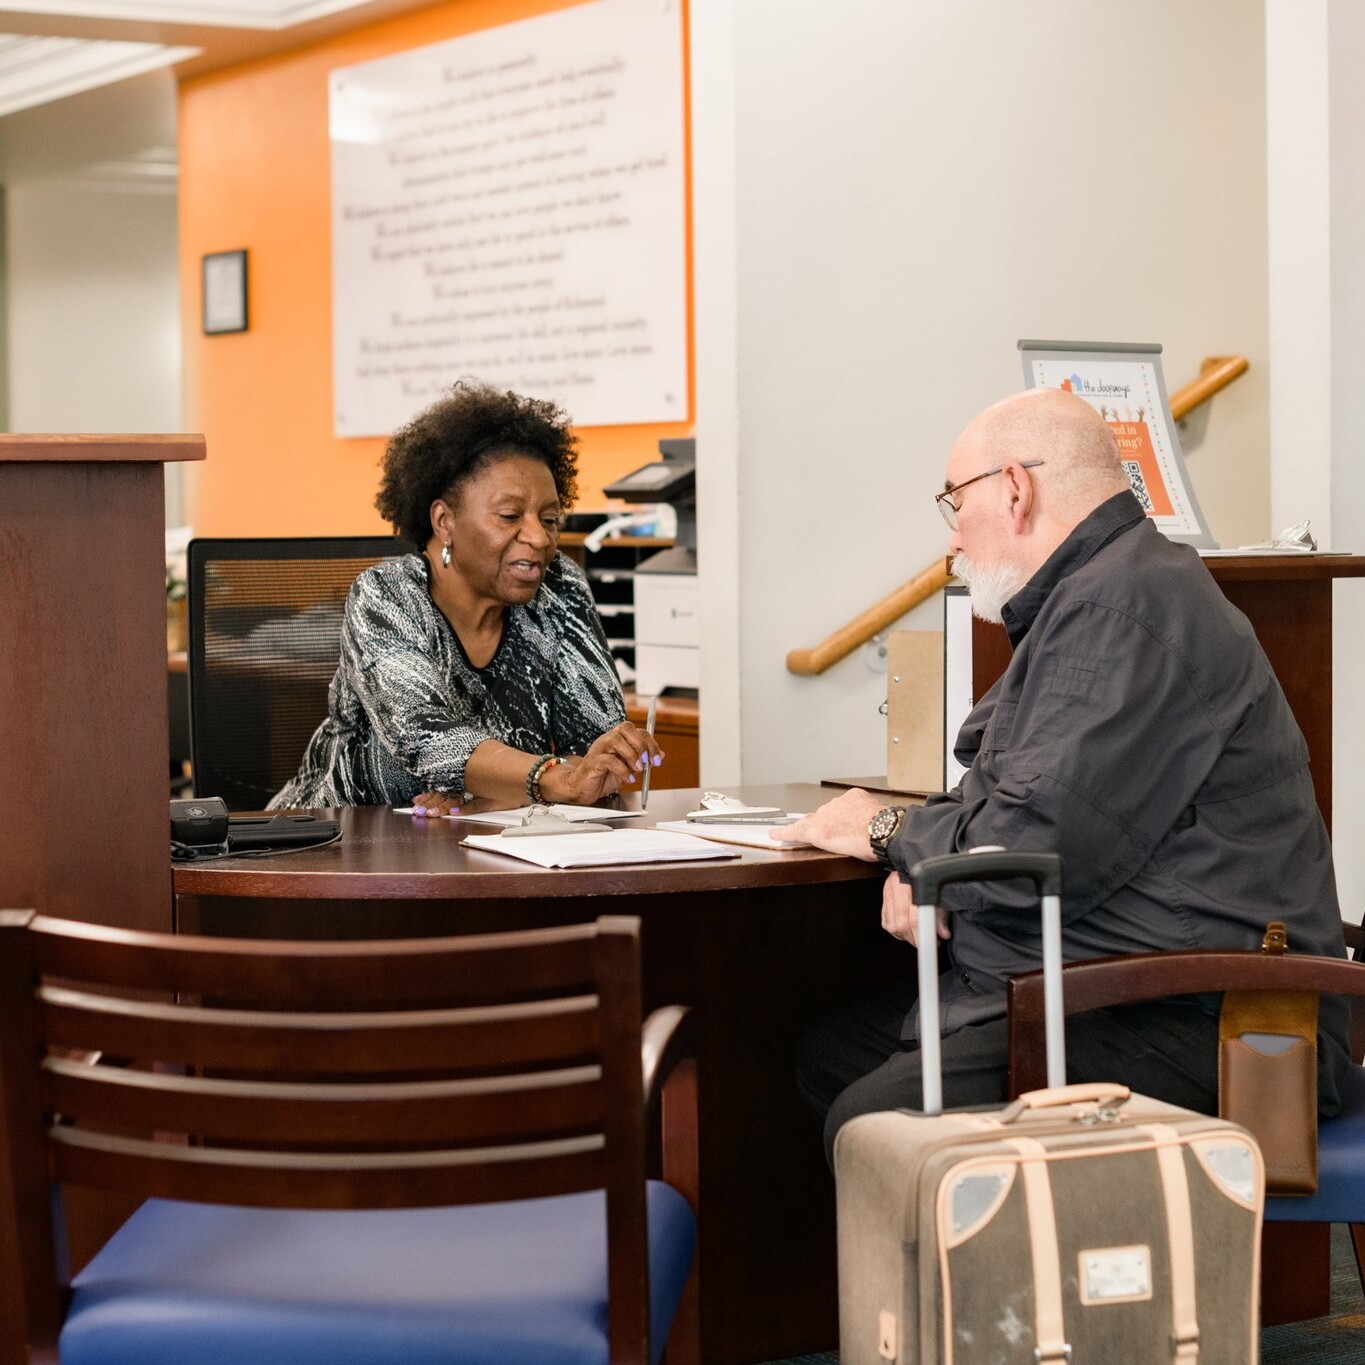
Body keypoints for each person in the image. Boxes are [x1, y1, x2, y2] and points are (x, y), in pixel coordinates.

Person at [786, 387, 1351, 1164]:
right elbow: (1005, 789)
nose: (952, 539)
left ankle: (1055, 1287)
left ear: (1014, 488)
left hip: (1213, 1018)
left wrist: (886, 833)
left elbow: (1030, 850)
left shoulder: (1126, 609)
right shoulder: (1104, 594)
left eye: (956, 502)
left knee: (874, 1115)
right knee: (827, 1052)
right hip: (1125, 985)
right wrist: (920, 860)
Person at [270, 380, 660, 812]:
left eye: (549, 518)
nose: (539, 537)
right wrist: (551, 781)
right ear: (444, 521)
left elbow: (597, 757)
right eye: (510, 516)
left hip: (484, 847)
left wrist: (497, 799)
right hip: (334, 847)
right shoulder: (386, 598)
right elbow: (430, 740)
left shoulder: (559, 589)